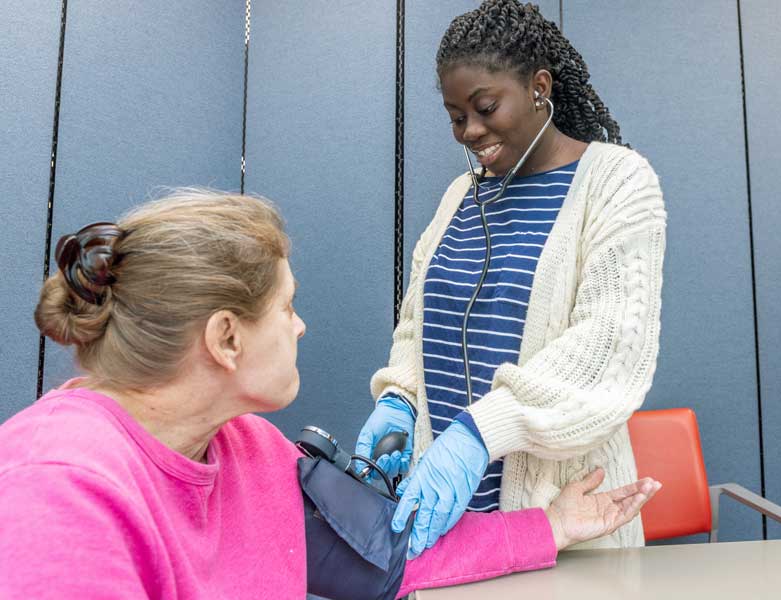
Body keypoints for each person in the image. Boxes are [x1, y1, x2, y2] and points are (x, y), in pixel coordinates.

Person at [0, 190, 659, 599]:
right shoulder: (57, 493)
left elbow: (385, 555)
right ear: (226, 338)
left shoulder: (248, 450)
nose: (300, 325)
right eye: (287, 307)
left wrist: (555, 525)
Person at [358, 0, 666, 558]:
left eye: (485, 107)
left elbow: (608, 347)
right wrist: (400, 398)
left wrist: (480, 433)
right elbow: (418, 319)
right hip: (449, 519)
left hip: (564, 520)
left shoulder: (618, 182)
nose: (470, 131)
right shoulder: (461, 195)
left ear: (539, 87)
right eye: (456, 116)